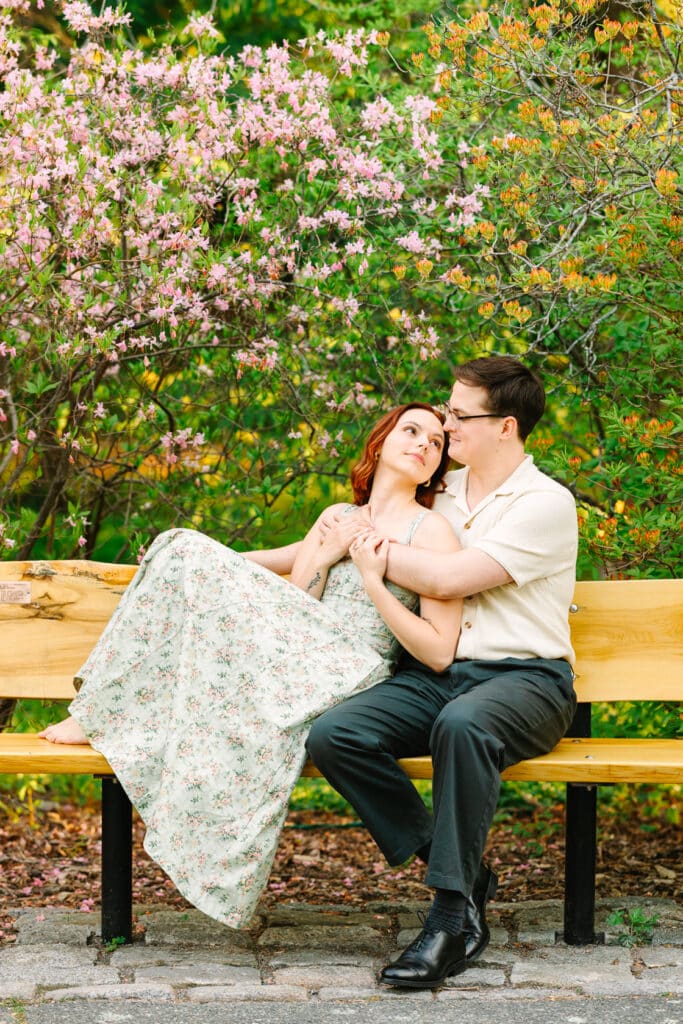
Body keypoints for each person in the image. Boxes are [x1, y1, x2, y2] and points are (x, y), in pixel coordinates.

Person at [38, 403, 462, 929]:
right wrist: (325, 553)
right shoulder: (335, 515)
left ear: (436, 469)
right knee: (178, 547)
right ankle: (103, 709)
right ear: (380, 442)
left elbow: (437, 647)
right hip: (298, 643)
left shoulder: (433, 531)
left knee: (185, 550)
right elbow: (300, 592)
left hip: (353, 664)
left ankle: (102, 712)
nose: (424, 443)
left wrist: (370, 576)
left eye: (437, 443)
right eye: (412, 430)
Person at [252, 356, 579, 988]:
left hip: (527, 681)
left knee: (463, 725)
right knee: (335, 735)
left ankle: (451, 920)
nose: (447, 424)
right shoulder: (440, 492)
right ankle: (465, 873)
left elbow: (450, 578)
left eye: (460, 414)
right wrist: (214, 554)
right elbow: (323, 546)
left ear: (505, 427)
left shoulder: (545, 504)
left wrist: (368, 551)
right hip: (434, 676)